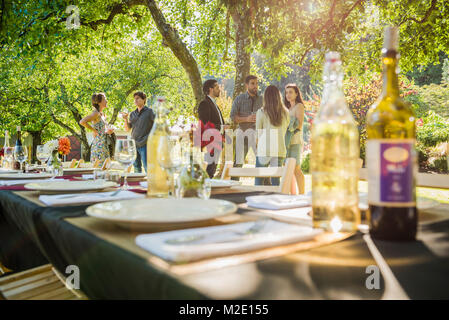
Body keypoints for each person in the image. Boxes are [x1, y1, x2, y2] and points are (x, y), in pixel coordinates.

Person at [255, 85, 290, 186]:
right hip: (279, 149)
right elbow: (284, 130)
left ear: (265, 97)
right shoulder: (286, 113)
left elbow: (258, 134)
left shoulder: (261, 112)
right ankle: (277, 199)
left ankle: (256, 200)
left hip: (264, 150)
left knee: (259, 180)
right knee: (276, 181)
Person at [230, 75, 263, 178]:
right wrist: (246, 119)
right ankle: (233, 186)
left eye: (257, 83)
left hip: (259, 136)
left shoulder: (262, 99)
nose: (255, 86)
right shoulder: (239, 99)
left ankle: (265, 188)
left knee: (263, 162)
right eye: (252, 83)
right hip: (243, 134)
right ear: (246, 85)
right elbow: (232, 117)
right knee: (238, 163)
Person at [197, 79, 227, 178]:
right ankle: (205, 190)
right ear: (211, 89)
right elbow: (205, 124)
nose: (219, 90)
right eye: (217, 87)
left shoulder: (214, 104)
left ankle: (208, 189)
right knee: (208, 171)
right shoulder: (204, 104)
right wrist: (222, 127)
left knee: (211, 170)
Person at [121, 91, 155, 173]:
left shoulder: (150, 112)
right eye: (134, 99)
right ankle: (137, 185)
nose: (135, 100)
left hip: (145, 144)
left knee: (147, 167)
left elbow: (156, 127)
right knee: (136, 168)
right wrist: (125, 119)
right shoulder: (132, 114)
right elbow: (127, 129)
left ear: (144, 99)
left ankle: (150, 184)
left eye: (138, 98)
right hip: (134, 144)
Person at [79, 93, 114, 166]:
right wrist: (93, 130)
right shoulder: (96, 113)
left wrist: (108, 131)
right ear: (99, 102)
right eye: (104, 99)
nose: (106, 101)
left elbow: (102, 129)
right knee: (98, 168)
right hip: (99, 146)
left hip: (104, 145)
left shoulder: (102, 114)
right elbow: (82, 121)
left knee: (105, 168)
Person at [284, 83, 306, 194]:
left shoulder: (299, 106)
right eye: (286, 92)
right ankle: (291, 193)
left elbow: (299, 124)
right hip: (285, 142)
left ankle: (302, 194)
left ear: (296, 93)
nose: (288, 95)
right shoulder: (286, 108)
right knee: (287, 168)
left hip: (295, 141)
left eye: (291, 92)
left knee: (296, 168)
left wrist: (287, 125)